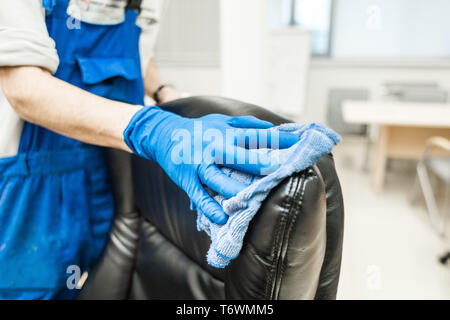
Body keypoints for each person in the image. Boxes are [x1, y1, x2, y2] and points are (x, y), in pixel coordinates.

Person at [0, 0, 299, 299]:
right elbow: (24, 88)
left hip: (107, 174)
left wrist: (165, 94)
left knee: (98, 277)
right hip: (33, 185)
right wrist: (152, 128)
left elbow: (138, 56)